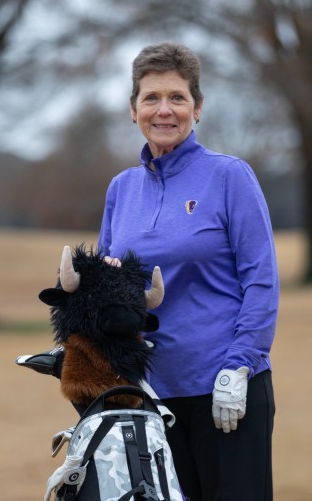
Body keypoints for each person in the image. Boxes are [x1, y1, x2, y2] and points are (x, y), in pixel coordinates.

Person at [97, 42, 279, 501]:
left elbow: (261, 279)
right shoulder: (121, 189)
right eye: (151, 98)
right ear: (132, 109)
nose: (164, 110)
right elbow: (106, 288)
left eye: (177, 97)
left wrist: (239, 366)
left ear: (197, 108)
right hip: (150, 399)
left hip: (226, 391)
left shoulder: (229, 176)